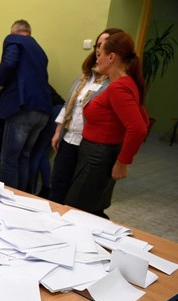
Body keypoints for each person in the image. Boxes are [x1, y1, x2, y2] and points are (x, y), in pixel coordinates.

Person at [64, 32, 149, 218]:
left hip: (98, 155)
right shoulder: (124, 83)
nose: (97, 58)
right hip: (99, 153)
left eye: (100, 54)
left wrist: (122, 162)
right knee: (91, 208)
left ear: (111, 57)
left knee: (75, 210)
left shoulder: (119, 88)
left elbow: (139, 127)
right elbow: (144, 120)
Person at [49, 28, 124, 204]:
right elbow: (69, 104)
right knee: (58, 184)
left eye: (103, 46)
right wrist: (58, 130)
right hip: (69, 139)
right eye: (98, 45)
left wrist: (122, 161)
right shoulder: (85, 76)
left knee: (78, 194)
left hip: (90, 145)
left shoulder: (114, 82)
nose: (99, 49)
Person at [0, 19, 52, 191]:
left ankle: (6, 201)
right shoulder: (40, 51)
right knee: (24, 157)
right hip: (42, 110)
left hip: (22, 108)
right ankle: (21, 197)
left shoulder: (14, 41)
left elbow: (9, 63)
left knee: (9, 159)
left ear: (14, 32)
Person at [28, 84, 65, 196]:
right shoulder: (39, 78)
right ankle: (46, 187)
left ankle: (30, 188)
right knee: (42, 153)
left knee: (37, 152)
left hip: (53, 112)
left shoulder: (27, 80)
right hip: (60, 111)